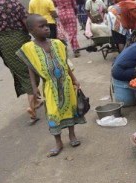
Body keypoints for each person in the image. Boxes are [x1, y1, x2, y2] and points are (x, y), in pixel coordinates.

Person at [17, 14, 86, 157]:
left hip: (66, 83)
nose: (46, 28)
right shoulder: (29, 48)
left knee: (70, 108)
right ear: (31, 30)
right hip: (50, 86)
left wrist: (74, 79)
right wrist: (34, 86)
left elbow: (65, 64)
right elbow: (31, 67)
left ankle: (72, 136)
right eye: (41, 26)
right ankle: (58, 142)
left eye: (47, 25)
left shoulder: (58, 43)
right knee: (53, 113)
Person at [0, 0, 42, 123]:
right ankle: (31, 107)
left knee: (20, 72)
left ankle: (36, 101)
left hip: (3, 43)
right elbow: (26, 22)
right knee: (30, 71)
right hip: (19, 38)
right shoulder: (14, 3)